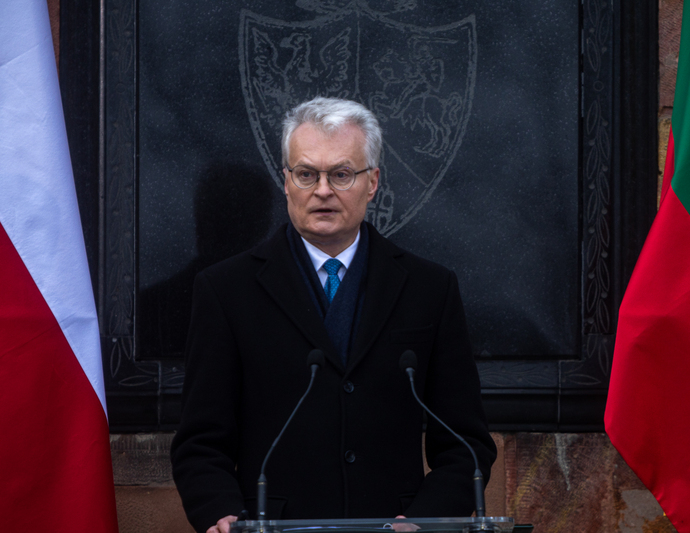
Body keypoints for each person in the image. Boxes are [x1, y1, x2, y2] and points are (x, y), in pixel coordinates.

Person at [171, 97, 496, 533]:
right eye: (306, 174)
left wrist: (425, 520)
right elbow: (200, 442)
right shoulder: (226, 290)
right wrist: (221, 514)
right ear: (286, 181)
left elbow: (465, 441)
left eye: (341, 174)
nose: (322, 190)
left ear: (373, 181)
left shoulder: (429, 288)